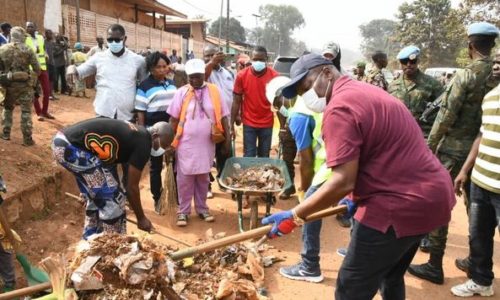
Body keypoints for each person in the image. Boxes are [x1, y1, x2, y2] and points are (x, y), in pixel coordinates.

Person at [262, 54, 455, 299]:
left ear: (327, 73)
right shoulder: (365, 91)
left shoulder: (340, 107)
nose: (306, 96)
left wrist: (295, 216)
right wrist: (355, 196)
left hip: (397, 205)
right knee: (390, 275)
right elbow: (376, 152)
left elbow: (343, 180)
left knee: (350, 287)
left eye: (307, 86)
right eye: (301, 93)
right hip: (432, 198)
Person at [408, 22, 499, 285]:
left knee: (440, 204)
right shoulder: (496, 74)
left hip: (454, 150)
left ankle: (434, 265)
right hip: (484, 149)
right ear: (492, 44)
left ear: (470, 45)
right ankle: (475, 260)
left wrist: (428, 146)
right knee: (477, 211)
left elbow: (446, 115)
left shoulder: (467, 75)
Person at [52, 118, 173, 239]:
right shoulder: (144, 143)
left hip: (63, 143)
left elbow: (110, 168)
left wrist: (90, 192)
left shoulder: (137, 135)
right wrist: (141, 218)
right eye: (164, 145)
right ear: (156, 136)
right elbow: (132, 187)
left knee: (107, 197)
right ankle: (114, 245)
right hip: (70, 148)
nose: (162, 150)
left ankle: (92, 239)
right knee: (112, 203)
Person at [450, 48, 500, 298]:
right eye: (496, 61)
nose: (497, 66)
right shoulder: (490, 97)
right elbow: (482, 135)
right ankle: (481, 281)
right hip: (481, 181)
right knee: (478, 236)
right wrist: (464, 170)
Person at [168, 59, 231, 227]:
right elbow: (173, 119)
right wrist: (169, 143)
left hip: (206, 144)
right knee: (185, 177)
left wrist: (227, 141)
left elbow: (224, 116)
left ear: (204, 75)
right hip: (185, 143)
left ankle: (202, 209)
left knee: (203, 176)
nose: (194, 81)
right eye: (191, 78)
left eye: (198, 77)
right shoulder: (181, 93)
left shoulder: (214, 91)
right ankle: (184, 211)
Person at [67, 23, 147, 121]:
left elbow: (144, 87)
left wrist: (139, 109)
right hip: (103, 112)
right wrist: (71, 69)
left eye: (117, 40)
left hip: (127, 115)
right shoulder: (98, 57)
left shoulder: (137, 60)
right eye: (110, 40)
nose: (113, 42)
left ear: (124, 39)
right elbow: (80, 71)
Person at [135, 51, 177, 211]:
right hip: (154, 133)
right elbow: (140, 112)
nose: (161, 70)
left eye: (164, 66)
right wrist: (144, 133)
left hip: (172, 131)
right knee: (156, 167)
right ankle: (157, 198)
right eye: (158, 67)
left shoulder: (172, 84)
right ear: (151, 69)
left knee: (174, 165)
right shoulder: (144, 86)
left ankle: (176, 197)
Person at [232, 46, 278, 158]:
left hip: (267, 123)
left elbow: (279, 103)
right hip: (249, 123)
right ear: (251, 59)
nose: (258, 62)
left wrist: (282, 128)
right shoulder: (242, 76)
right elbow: (236, 101)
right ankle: (249, 176)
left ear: (266, 59)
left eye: (261, 60)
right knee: (249, 155)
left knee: (264, 156)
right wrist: (231, 124)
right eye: (255, 59)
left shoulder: (274, 77)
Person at [388, 45, 443, 139]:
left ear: (418, 61)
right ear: (400, 63)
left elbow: (443, 111)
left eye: (412, 61)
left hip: (423, 136)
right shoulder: (392, 86)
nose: (408, 64)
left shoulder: (433, 84)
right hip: (398, 136)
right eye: (405, 61)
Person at [203, 45, 235, 197]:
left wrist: (236, 116)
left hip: (225, 119)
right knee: (206, 154)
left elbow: (233, 95)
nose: (210, 58)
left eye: (213, 55)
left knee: (225, 151)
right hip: (207, 120)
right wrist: (211, 63)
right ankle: (206, 186)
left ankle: (223, 182)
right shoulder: (203, 71)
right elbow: (202, 77)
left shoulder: (228, 73)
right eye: (207, 56)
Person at [0, 26, 40, 146]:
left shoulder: (2, 49)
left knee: (7, 109)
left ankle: (6, 133)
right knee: (26, 111)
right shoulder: (28, 49)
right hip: (25, 85)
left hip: (8, 85)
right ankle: (27, 139)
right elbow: (37, 69)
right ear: (22, 36)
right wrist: (32, 78)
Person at [25, 22, 54, 121]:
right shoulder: (25, 39)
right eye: (27, 27)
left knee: (46, 91)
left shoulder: (40, 38)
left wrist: (46, 54)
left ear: (35, 28)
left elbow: (43, 49)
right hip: (32, 68)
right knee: (34, 91)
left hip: (43, 67)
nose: (29, 28)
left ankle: (45, 111)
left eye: (31, 26)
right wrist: (34, 50)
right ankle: (39, 112)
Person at [44, 29, 58, 101]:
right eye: (49, 34)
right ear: (46, 34)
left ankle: (51, 93)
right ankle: (47, 94)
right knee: (47, 79)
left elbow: (55, 52)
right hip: (46, 63)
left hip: (52, 63)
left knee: (52, 79)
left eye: (51, 34)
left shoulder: (52, 43)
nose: (51, 35)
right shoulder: (43, 42)